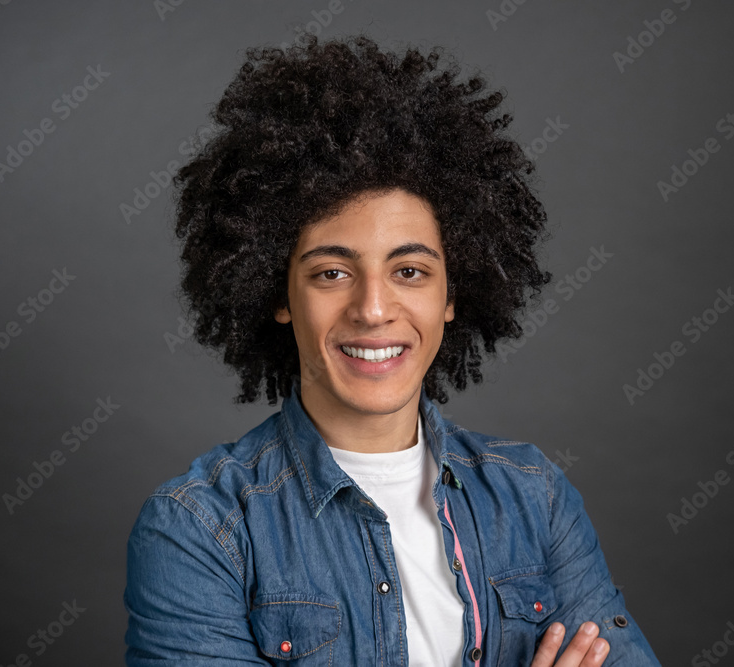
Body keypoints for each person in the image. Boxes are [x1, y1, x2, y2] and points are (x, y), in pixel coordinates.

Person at [124, 32, 661, 666]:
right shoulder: (199, 529)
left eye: (409, 271)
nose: (373, 309)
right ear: (278, 294)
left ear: (452, 296)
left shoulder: (533, 498)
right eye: (331, 273)